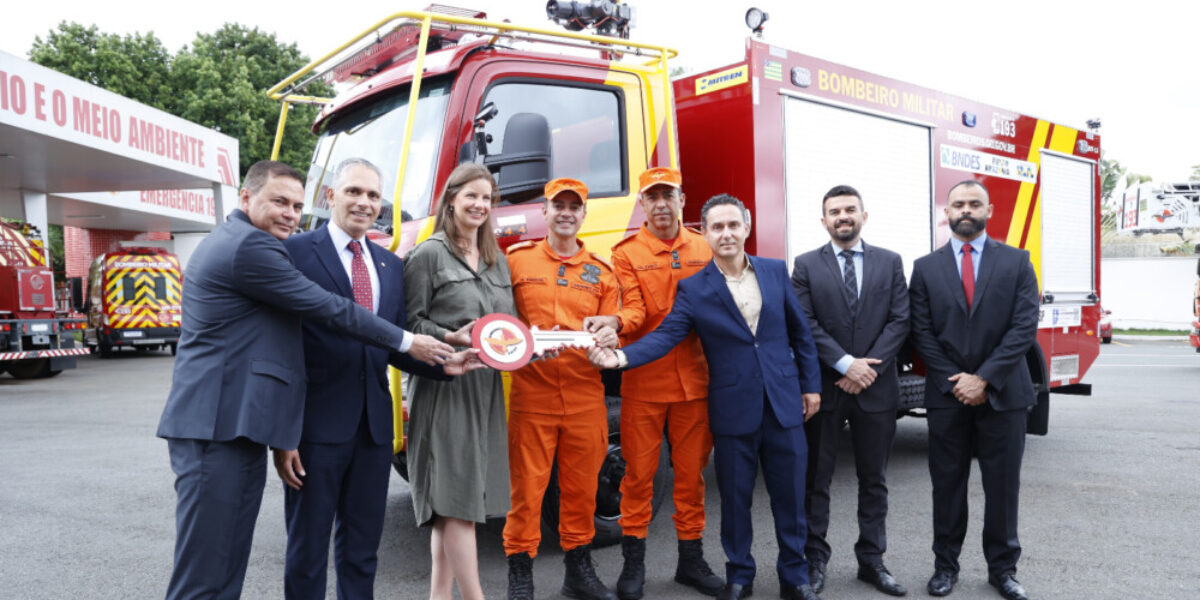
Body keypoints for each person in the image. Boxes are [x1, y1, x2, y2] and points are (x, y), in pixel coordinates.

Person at [156, 160, 459, 600]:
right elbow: (329, 309)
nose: (289, 214)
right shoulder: (257, 248)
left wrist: (441, 357)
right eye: (278, 201)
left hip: (244, 429)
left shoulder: (381, 263)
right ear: (245, 198)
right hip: (220, 428)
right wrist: (409, 340)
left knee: (224, 571)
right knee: (206, 576)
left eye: (296, 205)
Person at [589, 194, 823, 600]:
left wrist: (811, 386)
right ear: (706, 233)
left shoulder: (774, 271)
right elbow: (666, 335)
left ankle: (795, 577)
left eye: (734, 225)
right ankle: (740, 576)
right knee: (734, 500)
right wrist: (621, 357)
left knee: (790, 497)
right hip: (733, 408)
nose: (727, 233)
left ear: (747, 227)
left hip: (784, 403)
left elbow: (800, 333)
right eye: (718, 227)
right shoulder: (695, 289)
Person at [272, 158, 478, 599]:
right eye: (353, 192)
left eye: (372, 196)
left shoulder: (388, 264)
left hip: (373, 432)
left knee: (362, 550)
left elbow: (394, 343)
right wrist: (283, 433)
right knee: (307, 550)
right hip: (314, 431)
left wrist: (445, 365)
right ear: (330, 197)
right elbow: (282, 351)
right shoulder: (296, 253)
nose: (364, 203)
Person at [908, 180, 1039, 600]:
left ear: (989, 210)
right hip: (948, 396)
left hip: (1003, 395)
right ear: (946, 212)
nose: (966, 210)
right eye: (958, 204)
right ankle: (945, 567)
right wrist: (958, 380)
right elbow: (921, 331)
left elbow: (1024, 327)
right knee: (947, 485)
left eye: (974, 203)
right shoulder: (925, 267)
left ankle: (1003, 571)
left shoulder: (1018, 262)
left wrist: (984, 378)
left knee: (1003, 487)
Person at [604, 167, 723, 599]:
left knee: (691, 478)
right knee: (639, 477)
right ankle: (633, 565)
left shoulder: (704, 245)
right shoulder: (626, 253)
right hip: (645, 384)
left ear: (682, 199)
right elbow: (634, 310)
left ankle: (691, 562)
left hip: (696, 382)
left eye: (667, 195)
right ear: (642, 203)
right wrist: (616, 327)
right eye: (651, 197)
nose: (660, 204)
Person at [503, 177, 624, 600]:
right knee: (527, 490)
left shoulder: (602, 272)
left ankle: (579, 570)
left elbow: (612, 329)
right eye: (559, 205)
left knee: (580, 489)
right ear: (545, 211)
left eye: (575, 206)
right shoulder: (516, 261)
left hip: (584, 396)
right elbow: (499, 322)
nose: (567, 212)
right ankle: (521, 575)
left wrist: (609, 339)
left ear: (584, 214)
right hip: (532, 396)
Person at [790, 185, 910, 596]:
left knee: (873, 479)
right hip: (824, 387)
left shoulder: (890, 262)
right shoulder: (805, 265)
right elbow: (804, 323)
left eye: (849, 209)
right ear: (823, 220)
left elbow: (900, 321)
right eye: (834, 211)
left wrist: (865, 369)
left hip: (875, 389)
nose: (843, 216)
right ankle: (814, 560)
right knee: (815, 480)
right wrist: (845, 364)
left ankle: (872, 561)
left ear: (864, 214)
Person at [403, 163, 515, 600]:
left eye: (486, 198)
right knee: (456, 503)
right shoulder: (428, 254)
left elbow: (511, 326)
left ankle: (439, 596)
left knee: (456, 500)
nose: (479, 205)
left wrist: (531, 342)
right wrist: (448, 338)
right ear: (451, 198)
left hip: (485, 389)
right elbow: (409, 325)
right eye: (471, 196)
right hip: (445, 384)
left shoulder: (495, 259)